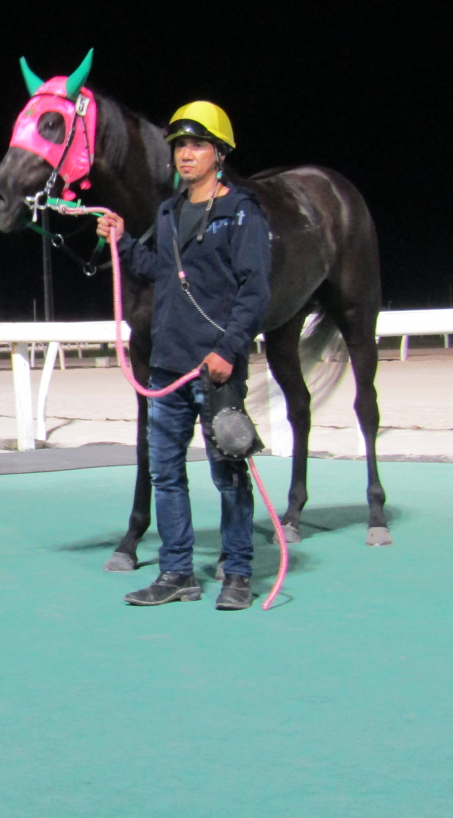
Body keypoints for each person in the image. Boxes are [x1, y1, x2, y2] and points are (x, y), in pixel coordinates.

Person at [96, 102, 271, 611]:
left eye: (196, 144)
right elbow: (156, 269)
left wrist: (228, 350)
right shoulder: (169, 212)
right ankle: (177, 573)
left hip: (215, 370)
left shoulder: (243, 211)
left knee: (229, 475)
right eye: (179, 144)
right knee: (166, 474)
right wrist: (122, 241)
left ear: (220, 152)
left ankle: (237, 572)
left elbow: (254, 292)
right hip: (169, 370)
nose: (185, 153)